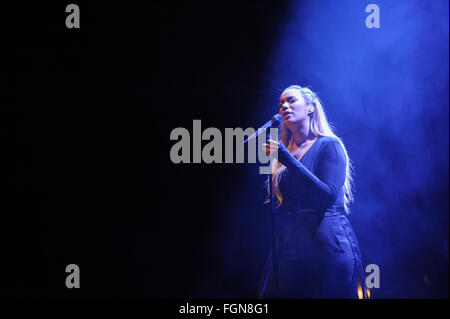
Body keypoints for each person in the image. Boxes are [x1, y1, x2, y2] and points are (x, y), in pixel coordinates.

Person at [258, 85, 367, 298]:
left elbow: (326, 195)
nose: (284, 106)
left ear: (310, 107)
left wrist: (287, 159)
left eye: (291, 100)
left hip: (327, 244)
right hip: (291, 245)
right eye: (281, 104)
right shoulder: (284, 152)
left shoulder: (329, 145)